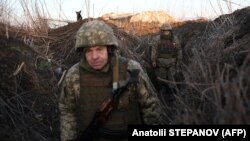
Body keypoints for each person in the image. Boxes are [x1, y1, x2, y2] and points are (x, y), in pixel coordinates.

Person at [59, 20, 163, 141]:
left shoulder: (130, 69)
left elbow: (151, 108)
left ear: (109, 49)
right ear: (83, 52)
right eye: (89, 51)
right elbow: (67, 110)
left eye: (99, 49)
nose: (94, 56)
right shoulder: (74, 75)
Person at [150, 22, 182, 91]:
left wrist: (179, 62)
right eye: (164, 31)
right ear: (162, 31)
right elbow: (154, 50)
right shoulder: (157, 39)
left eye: (167, 31)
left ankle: (172, 92)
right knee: (162, 78)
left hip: (172, 63)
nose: (166, 32)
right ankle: (164, 90)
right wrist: (153, 60)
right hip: (161, 63)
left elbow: (179, 51)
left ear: (170, 31)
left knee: (172, 78)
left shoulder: (174, 39)